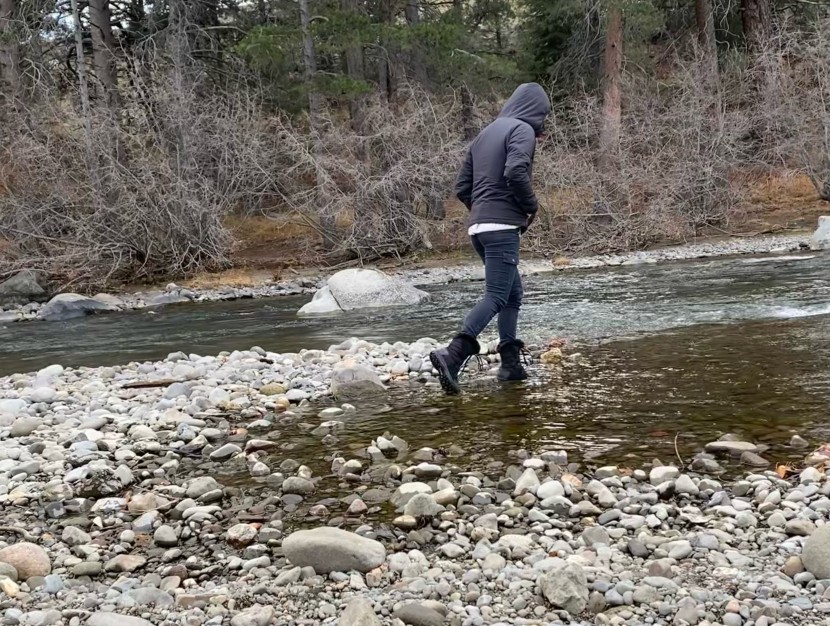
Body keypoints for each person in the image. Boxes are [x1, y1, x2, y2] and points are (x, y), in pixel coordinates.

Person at [429, 83, 551, 395]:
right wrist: (529, 207)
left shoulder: (486, 134)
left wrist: (482, 211)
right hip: (501, 227)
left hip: (478, 228)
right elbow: (515, 171)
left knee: (512, 293)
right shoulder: (521, 129)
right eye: (544, 115)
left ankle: (510, 365)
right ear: (535, 111)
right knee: (497, 295)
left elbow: (462, 187)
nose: (543, 123)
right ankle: (454, 352)